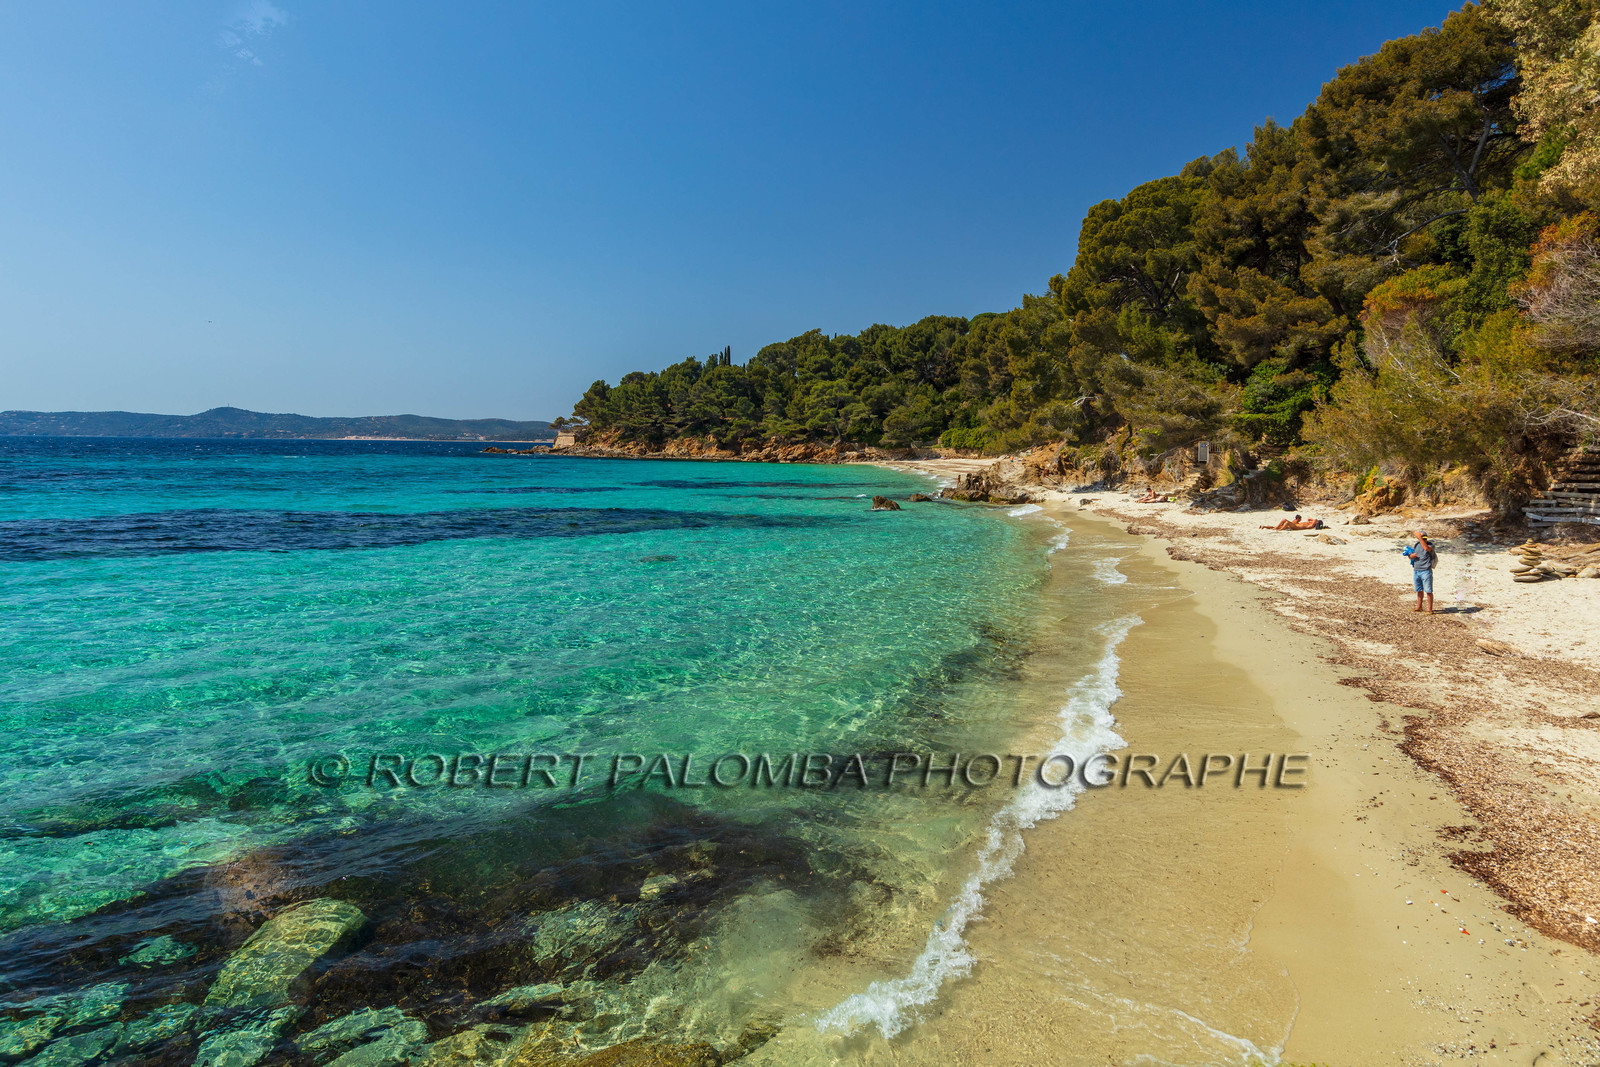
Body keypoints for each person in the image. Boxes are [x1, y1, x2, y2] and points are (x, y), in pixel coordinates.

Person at [1403, 530, 1437, 613]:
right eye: (1422, 538)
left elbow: (1426, 548)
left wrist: (1420, 538)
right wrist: (1411, 556)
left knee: (1428, 591)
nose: (1423, 540)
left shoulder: (1430, 544)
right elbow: (1411, 556)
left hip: (1426, 570)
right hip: (1416, 570)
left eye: (1425, 538)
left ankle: (1430, 609)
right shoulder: (1417, 544)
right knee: (1419, 590)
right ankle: (1419, 607)